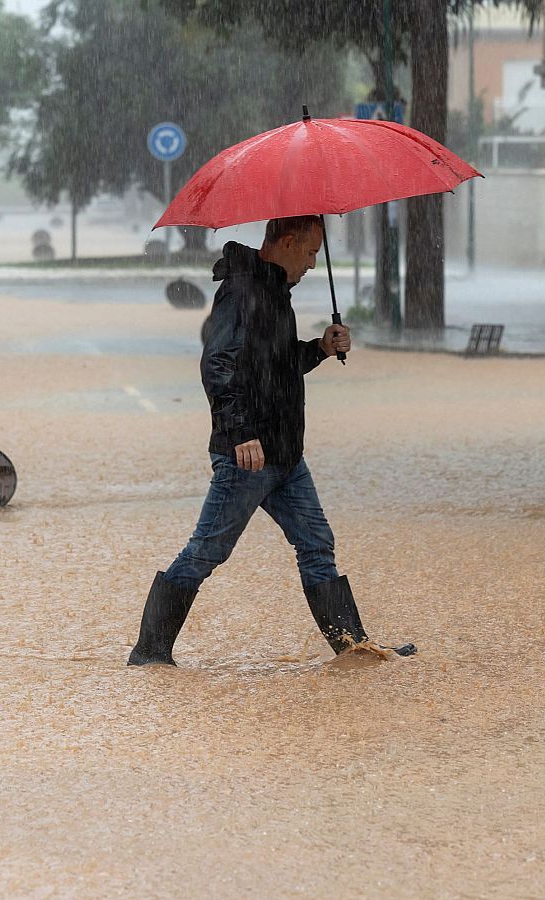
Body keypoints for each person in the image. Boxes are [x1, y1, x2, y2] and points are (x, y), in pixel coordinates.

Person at [129, 216, 407, 666]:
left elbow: (274, 367)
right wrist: (241, 433)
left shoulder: (275, 291)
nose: (314, 264)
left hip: (285, 455)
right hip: (249, 456)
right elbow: (216, 365)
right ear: (289, 241)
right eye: (311, 252)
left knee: (317, 544)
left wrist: (318, 347)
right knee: (206, 551)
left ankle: (354, 649)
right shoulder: (241, 292)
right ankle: (149, 653)